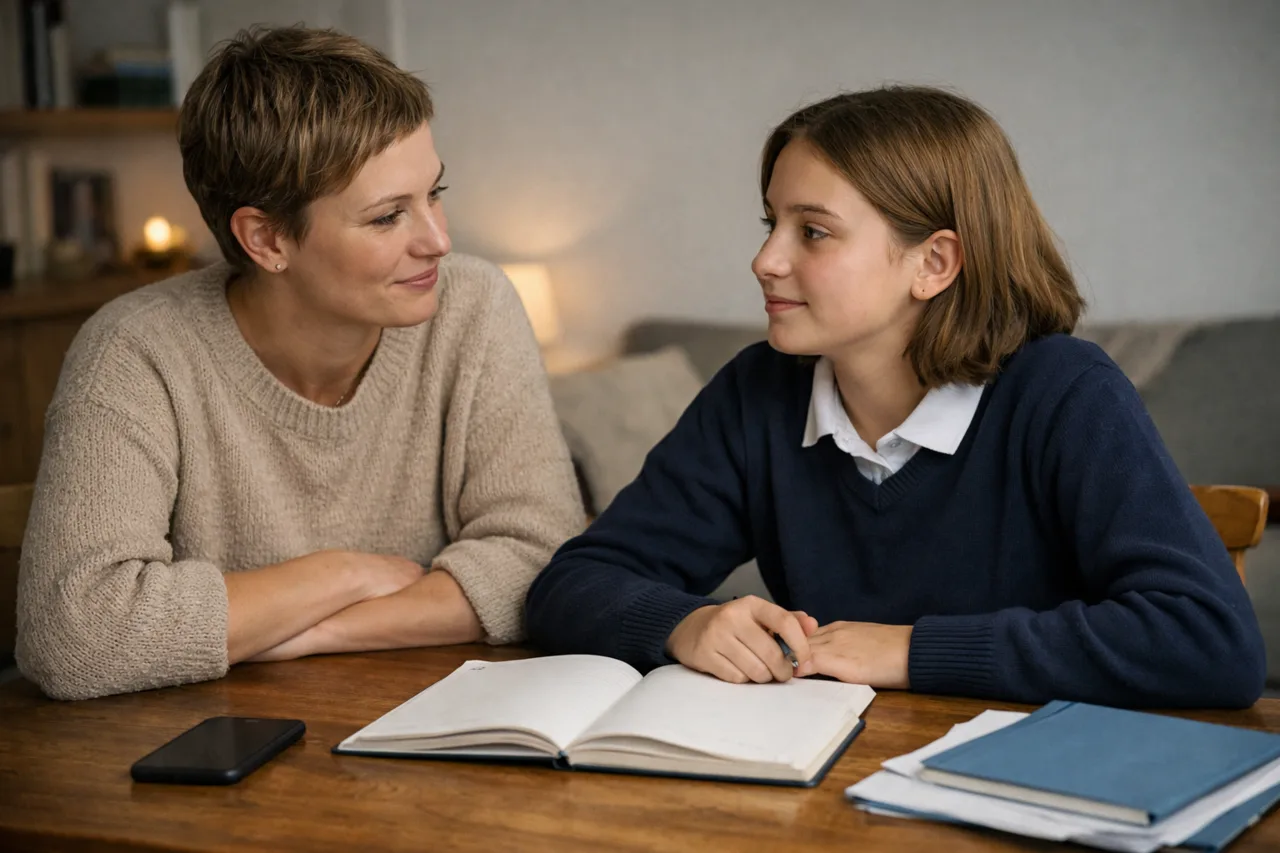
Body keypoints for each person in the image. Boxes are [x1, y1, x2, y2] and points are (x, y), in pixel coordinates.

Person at [525, 85, 1265, 709]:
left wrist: (913, 650)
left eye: (813, 231)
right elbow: (571, 582)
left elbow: (1210, 642)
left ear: (934, 262)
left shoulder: (1065, 393)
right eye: (770, 223)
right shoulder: (759, 392)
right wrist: (683, 623)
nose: (765, 260)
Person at [16, 26, 584, 700]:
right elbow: (75, 635)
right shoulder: (134, 353)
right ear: (267, 239)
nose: (439, 239)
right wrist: (340, 573)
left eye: (434, 192)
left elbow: (547, 566)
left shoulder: (476, 307)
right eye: (386, 217)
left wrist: (300, 633)